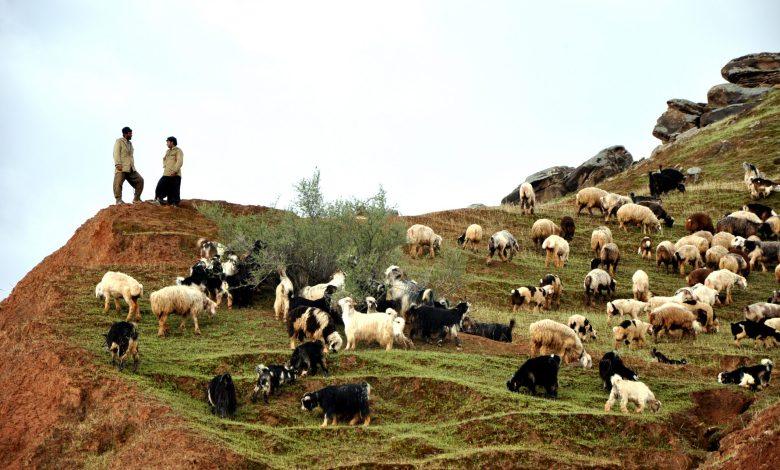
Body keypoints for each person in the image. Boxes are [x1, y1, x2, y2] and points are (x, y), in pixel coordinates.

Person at [113, 126, 144, 204]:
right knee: (118, 183)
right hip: (121, 167)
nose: (131, 135)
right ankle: (118, 200)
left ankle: (136, 199)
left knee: (140, 180)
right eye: (130, 133)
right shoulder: (119, 141)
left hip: (130, 168)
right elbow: (116, 153)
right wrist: (117, 164)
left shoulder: (130, 143)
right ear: (125, 134)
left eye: (131, 133)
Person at [153, 136, 183, 206]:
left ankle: (174, 205)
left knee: (174, 191)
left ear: (172, 142)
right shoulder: (168, 151)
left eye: (167, 142)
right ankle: (159, 200)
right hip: (166, 174)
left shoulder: (178, 150)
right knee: (160, 186)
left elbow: (180, 161)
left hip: (175, 174)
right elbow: (164, 159)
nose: (166, 143)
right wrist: (165, 166)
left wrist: (175, 171)